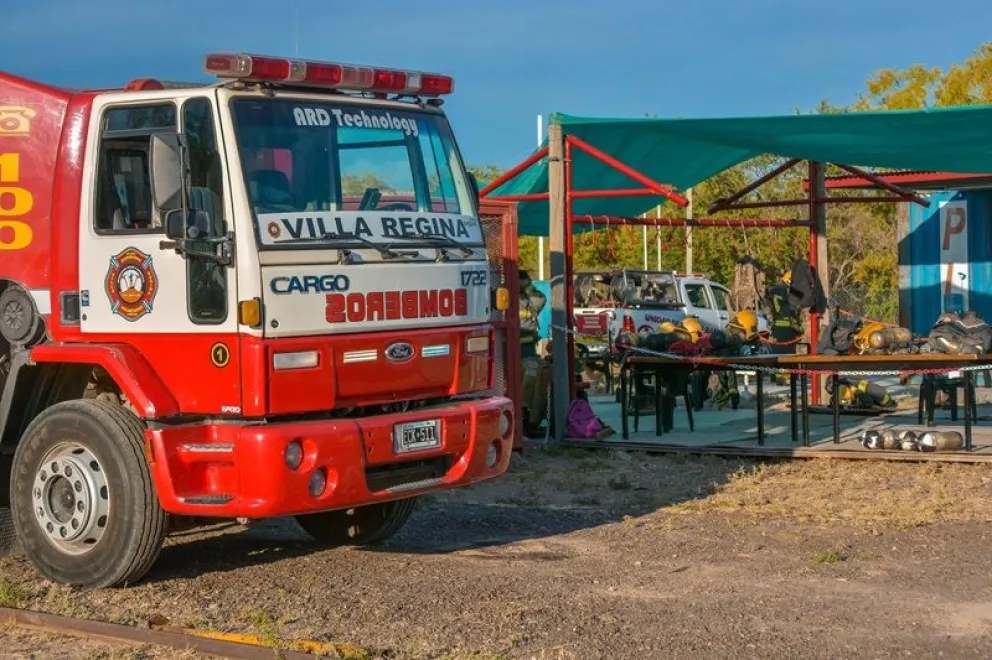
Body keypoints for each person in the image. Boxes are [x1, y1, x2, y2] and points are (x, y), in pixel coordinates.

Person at [519, 269, 550, 437]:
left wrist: (528, 288)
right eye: (526, 280)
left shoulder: (528, 299)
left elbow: (541, 299)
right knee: (529, 379)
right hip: (513, 352)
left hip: (528, 350)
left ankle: (532, 419)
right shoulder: (506, 297)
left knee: (541, 376)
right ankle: (526, 418)